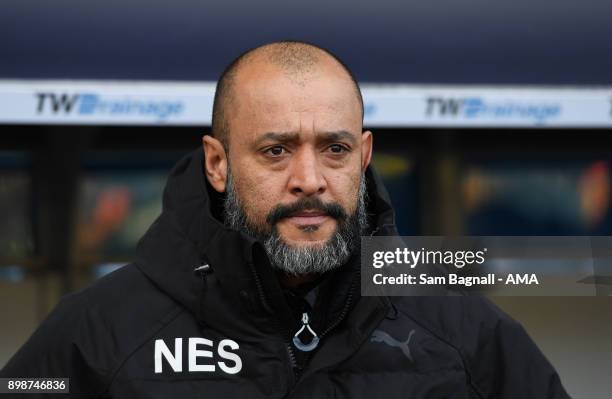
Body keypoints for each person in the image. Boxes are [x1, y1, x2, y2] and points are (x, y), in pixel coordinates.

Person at [1, 41, 570, 398]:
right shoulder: (101, 328)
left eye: (335, 150)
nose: (309, 179)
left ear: (364, 156)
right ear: (218, 164)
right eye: (275, 150)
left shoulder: (464, 328)